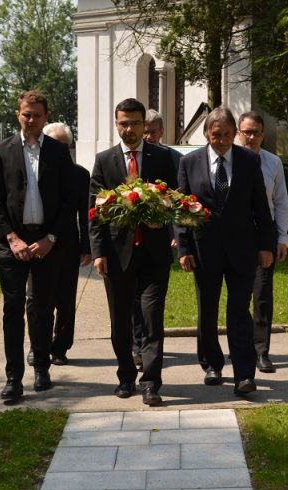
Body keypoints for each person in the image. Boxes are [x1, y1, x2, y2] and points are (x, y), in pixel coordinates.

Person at [176, 106, 275, 396]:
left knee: (238, 312)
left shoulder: (248, 160)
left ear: (235, 135)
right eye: (216, 135)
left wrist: (266, 246)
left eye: (228, 135)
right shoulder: (189, 163)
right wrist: (183, 247)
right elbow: (182, 209)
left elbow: (261, 207)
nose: (221, 141)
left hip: (242, 251)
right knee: (207, 311)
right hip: (204, 250)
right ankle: (212, 365)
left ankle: (245, 374)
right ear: (207, 134)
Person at [0, 90, 75, 402]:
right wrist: (11, 238)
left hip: (46, 242)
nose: (31, 120)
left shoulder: (57, 152)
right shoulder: (3, 149)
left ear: (45, 117)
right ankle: (13, 379)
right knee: (13, 310)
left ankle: (42, 368)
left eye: (37, 115)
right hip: (12, 243)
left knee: (41, 308)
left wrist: (50, 238)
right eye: (26, 114)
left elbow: (68, 200)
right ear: (18, 115)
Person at [89, 98, 177, 407]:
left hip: (154, 254)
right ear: (116, 125)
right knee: (121, 320)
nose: (129, 129)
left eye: (135, 123)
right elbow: (96, 210)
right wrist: (98, 252)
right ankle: (126, 375)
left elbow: (175, 201)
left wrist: (165, 222)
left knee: (152, 317)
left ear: (145, 126)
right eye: (123, 123)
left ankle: (151, 381)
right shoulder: (104, 161)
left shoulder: (164, 158)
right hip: (117, 254)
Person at [26, 122, 91, 368]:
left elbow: (86, 214)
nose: (57, 149)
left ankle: (60, 347)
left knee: (65, 299)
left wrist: (87, 247)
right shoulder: (34, 171)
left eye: (63, 145)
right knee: (37, 299)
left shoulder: (80, 174)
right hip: (39, 245)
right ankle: (36, 346)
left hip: (68, 244)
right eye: (52, 143)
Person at [128, 109, 183, 370]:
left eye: (152, 131)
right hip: (129, 243)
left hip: (157, 241)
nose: (148, 135)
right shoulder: (126, 158)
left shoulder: (170, 158)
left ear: (161, 132)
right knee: (132, 300)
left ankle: (144, 348)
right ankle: (137, 344)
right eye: (144, 130)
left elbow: (177, 198)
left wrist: (175, 235)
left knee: (150, 302)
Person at [235, 111, 288, 373]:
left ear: (263, 134)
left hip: (264, 237)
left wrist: (281, 237)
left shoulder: (273, 163)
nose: (252, 137)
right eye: (247, 132)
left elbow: (280, 202)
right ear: (239, 132)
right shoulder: (229, 160)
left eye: (256, 132)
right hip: (236, 236)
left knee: (262, 296)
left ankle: (261, 351)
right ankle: (240, 348)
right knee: (238, 297)